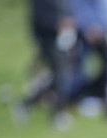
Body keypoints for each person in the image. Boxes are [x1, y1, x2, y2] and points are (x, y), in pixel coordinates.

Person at [14, 0, 77, 130]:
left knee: (60, 75)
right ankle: (57, 114)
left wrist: (69, 23)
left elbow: (67, 10)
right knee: (62, 74)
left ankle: (27, 103)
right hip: (49, 39)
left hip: (63, 38)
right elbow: (40, 19)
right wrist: (58, 25)